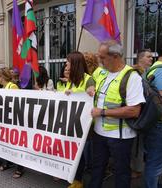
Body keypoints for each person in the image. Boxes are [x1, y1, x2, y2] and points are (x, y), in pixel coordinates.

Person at [89, 40, 145, 188]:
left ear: (115, 56)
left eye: (102, 57)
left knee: (121, 173)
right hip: (99, 133)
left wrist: (102, 112)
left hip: (121, 137)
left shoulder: (132, 77)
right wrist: (90, 87)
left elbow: (134, 110)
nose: (100, 61)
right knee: (97, 168)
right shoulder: (102, 72)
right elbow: (90, 80)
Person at [64, 52, 95, 188]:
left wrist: (89, 93)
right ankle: (74, 178)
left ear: (75, 63)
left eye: (68, 62)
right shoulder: (71, 81)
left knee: (80, 154)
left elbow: (92, 97)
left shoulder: (89, 80)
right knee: (74, 152)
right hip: (72, 124)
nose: (66, 64)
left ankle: (78, 181)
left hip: (84, 127)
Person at [144, 40, 162, 188]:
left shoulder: (150, 70)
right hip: (161, 125)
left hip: (151, 123)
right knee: (156, 165)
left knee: (153, 160)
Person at [0, 67, 23, 178]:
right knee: (7, 143)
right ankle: (8, 162)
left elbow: (18, 104)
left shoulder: (13, 87)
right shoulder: (2, 87)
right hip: (6, 120)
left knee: (16, 144)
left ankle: (20, 167)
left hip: (14, 121)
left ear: (2, 77)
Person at [130, 49, 153, 179]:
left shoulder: (147, 72)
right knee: (137, 143)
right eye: (148, 57)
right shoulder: (136, 73)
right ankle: (136, 170)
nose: (151, 59)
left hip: (144, 114)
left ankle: (137, 168)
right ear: (140, 59)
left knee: (140, 143)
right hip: (138, 115)